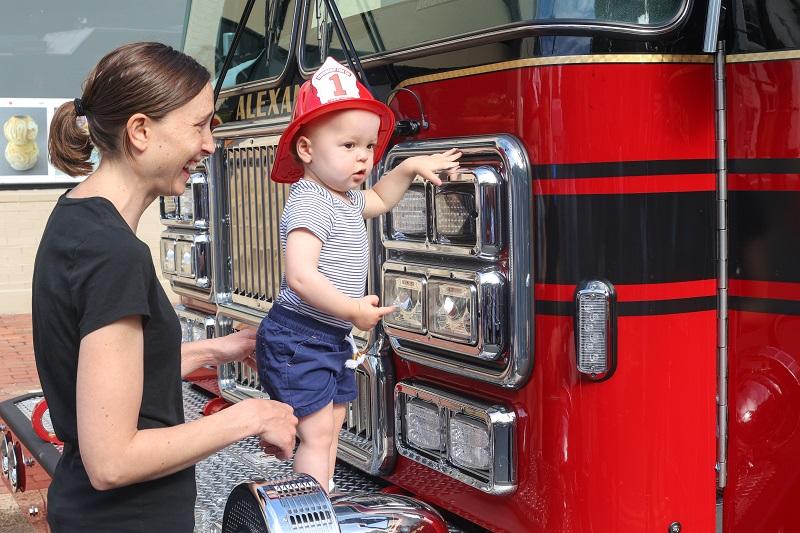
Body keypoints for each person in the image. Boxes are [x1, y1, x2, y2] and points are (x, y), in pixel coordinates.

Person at [34, 42, 298, 532]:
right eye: (198, 125)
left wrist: (219, 349)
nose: (209, 144)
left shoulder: (76, 218)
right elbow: (112, 461)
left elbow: (107, 380)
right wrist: (253, 417)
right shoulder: (114, 255)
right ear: (140, 131)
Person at [256, 57, 460, 493]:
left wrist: (408, 167)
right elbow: (300, 276)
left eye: (369, 146)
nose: (364, 157)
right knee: (316, 433)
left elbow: (381, 200)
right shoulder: (310, 201)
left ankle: (319, 497)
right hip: (300, 336)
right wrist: (351, 309)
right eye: (348, 146)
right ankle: (309, 510)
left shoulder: (346, 199)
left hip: (327, 336)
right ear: (307, 150)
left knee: (331, 424)